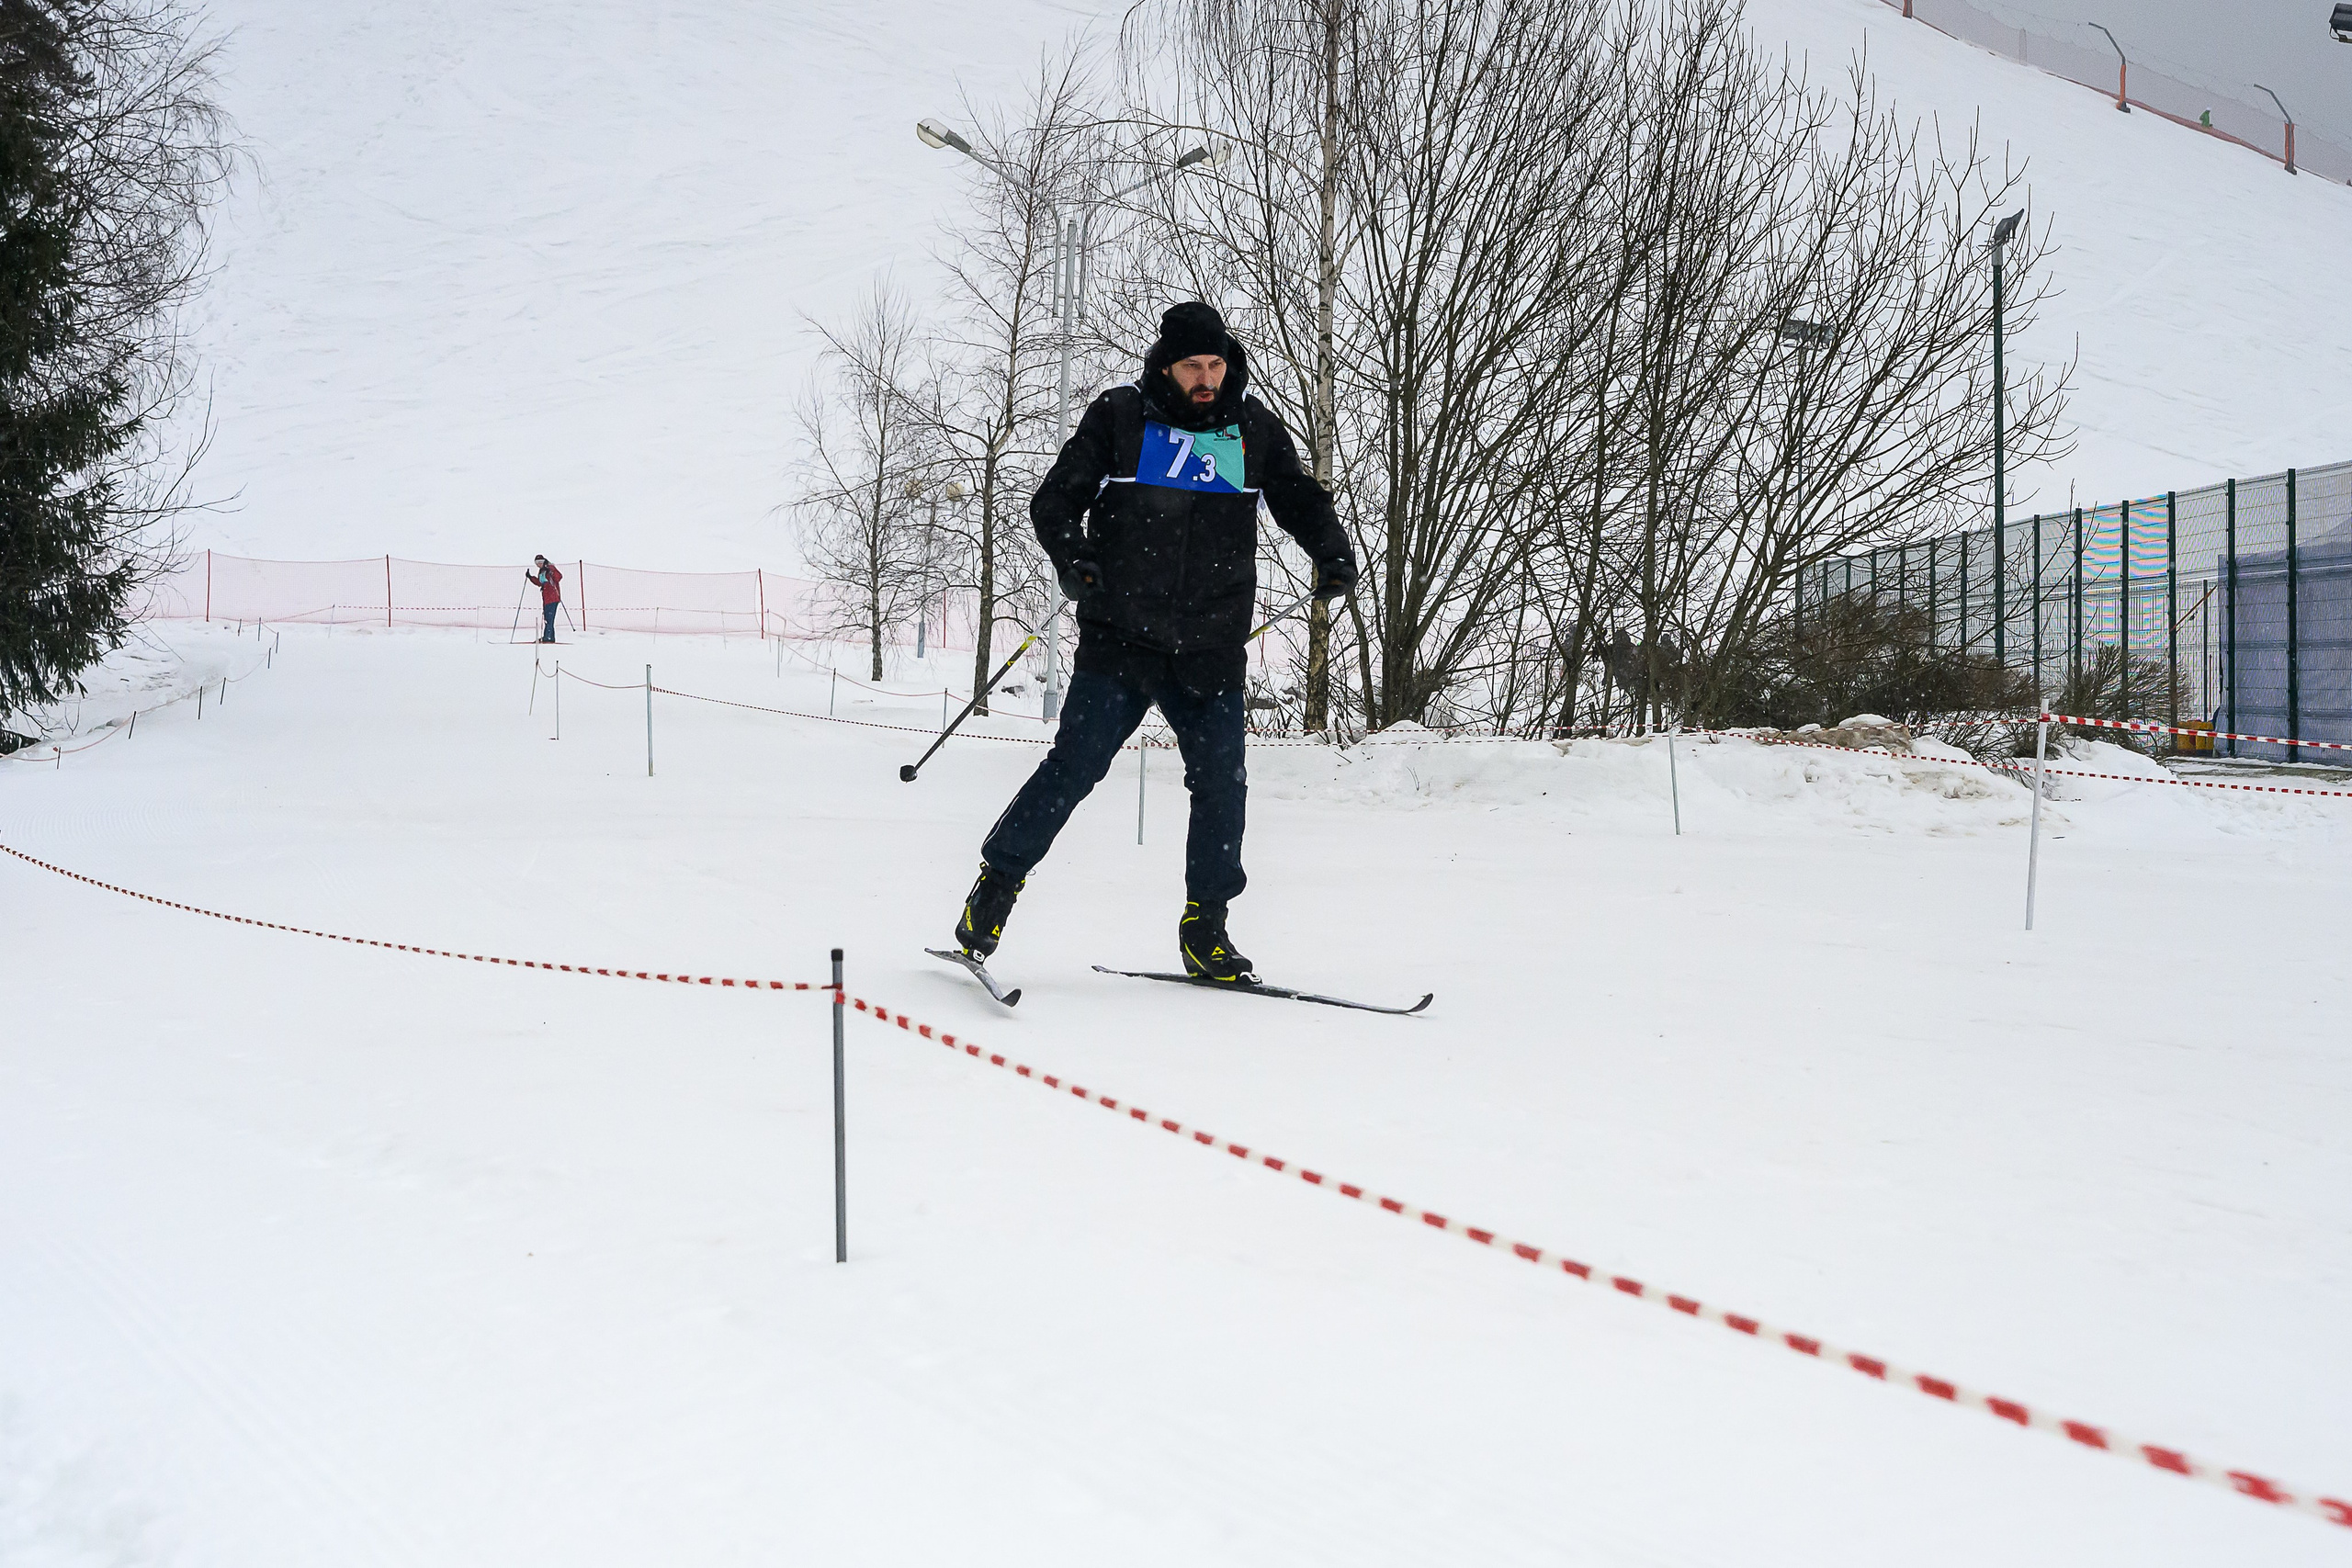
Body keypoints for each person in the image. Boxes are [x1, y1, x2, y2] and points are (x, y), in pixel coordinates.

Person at [950, 301, 1357, 982]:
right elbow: (1053, 501)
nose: (1207, 378)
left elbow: (1298, 498)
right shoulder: (1121, 418)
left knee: (1223, 788)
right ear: (1167, 365)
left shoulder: (1251, 430)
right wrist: (1074, 558)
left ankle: (1207, 926)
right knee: (1073, 769)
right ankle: (996, 885)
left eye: (1217, 365)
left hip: (1211, 645)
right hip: (1122, 639)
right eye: (1194, 366)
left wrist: (1332, 551)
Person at [526, 556, 563, 643]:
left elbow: (559, 577)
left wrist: (551, 569)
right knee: (547, 618)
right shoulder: (541, 571)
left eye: (540, 562)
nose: (538, 564)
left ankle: (548, 637)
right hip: (546, 598)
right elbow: (540, 583)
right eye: (537, 563)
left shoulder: (549, 568)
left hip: (553, 597)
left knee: (549, 618)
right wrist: (531, 577)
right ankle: (550, 637)